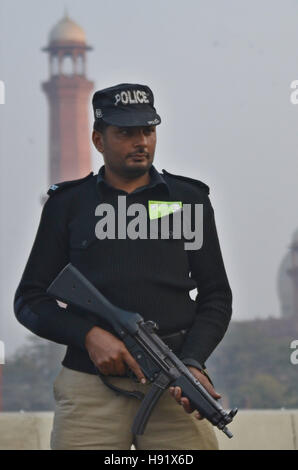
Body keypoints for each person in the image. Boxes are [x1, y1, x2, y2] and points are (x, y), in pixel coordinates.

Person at [14, 83, 233, 450]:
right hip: (90, 391)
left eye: (148, 131)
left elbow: (216, 296)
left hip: (174, 384)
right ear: (99, 140)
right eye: (126, 132)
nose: (141, 142)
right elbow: (30, 300)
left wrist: (193, 362)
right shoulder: (68, 205)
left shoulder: (187, 201)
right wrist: (88, 336)